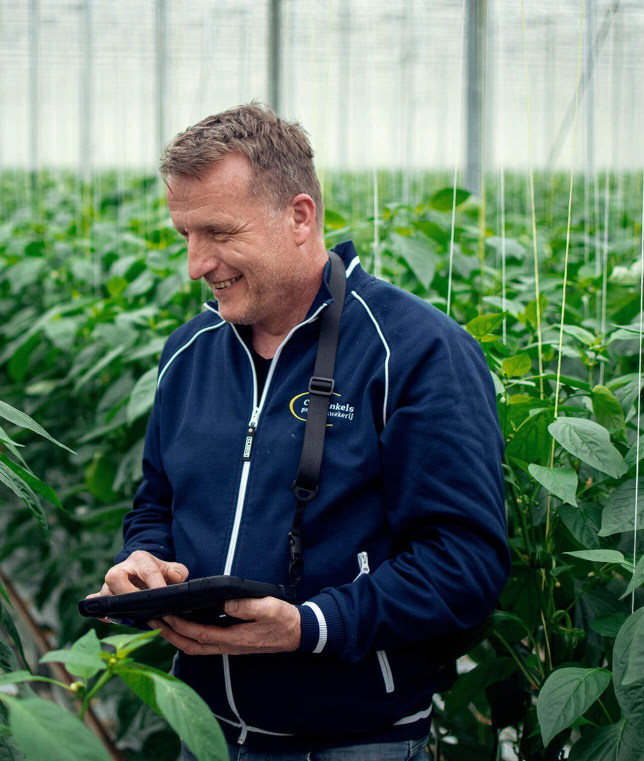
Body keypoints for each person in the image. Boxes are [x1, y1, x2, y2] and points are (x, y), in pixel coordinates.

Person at [91, 103, 509, 760]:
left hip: (355, 740)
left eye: (219, 232)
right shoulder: (189, 352)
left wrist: (311, 626)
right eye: (185, 235)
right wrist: (144, 561)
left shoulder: (414, 351)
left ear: (299, 216)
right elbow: (157, 504)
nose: (196, 264)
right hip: (205, 732)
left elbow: (465, 562)